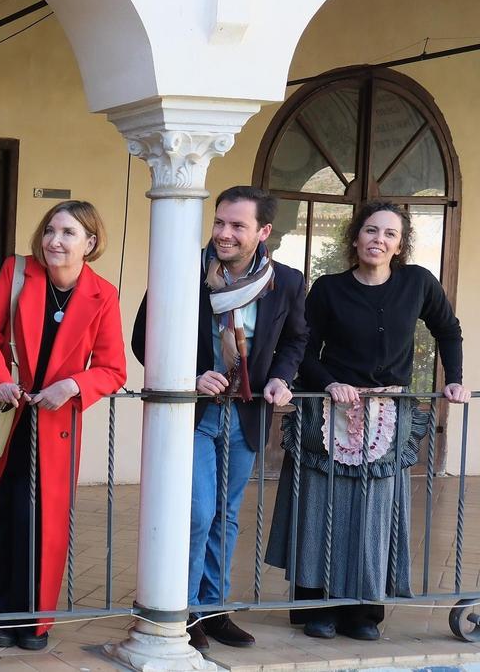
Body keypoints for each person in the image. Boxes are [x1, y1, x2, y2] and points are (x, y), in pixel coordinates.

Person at [0, 201, 128, 651]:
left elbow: (113, 369)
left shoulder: (103, 295)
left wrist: (72, 385)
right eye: (51, 229)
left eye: (68, 232)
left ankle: (34, 621)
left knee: (38, 524)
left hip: (54, 429)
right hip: (3, 419)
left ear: (90, 243)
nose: (55, 240)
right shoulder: (18, 273)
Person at [264, 201, 466, 641]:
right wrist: (331, 381)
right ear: (354, 238)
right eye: (371, 231)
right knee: (323, 509)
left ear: (400, 244)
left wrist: (455, 381)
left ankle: (363, 613)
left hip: (388, 416)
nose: (379, 240)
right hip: (329, 411)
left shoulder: (418, 283)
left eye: (389, 234)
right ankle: (319, 608)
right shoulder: (329, 288)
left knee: (375, 513)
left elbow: (447, 330)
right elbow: (304, 347)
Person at [131, 185, 308, 651]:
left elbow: (296, 339)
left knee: (226, 517)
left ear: (263, 231)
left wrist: (281, 377)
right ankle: (182, 611)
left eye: (237, 226)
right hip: (196, 413)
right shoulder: (183, 267)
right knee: (196, 513)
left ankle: (213, 609)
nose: (224, 234)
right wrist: (189, 374)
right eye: (219, 223)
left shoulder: (285, 281)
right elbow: (142, 337)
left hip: (247, 416)